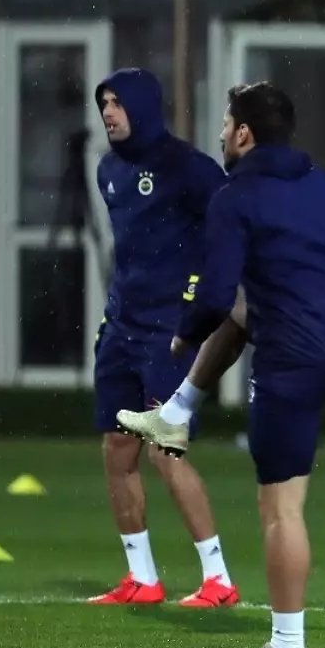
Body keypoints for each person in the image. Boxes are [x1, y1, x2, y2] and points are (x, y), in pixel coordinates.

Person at [118, 82, 325, 648]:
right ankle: (179, 410)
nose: (219, 134)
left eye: (225, 123)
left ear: (243, 133)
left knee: (281, 509)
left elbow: (214, 293)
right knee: (248, 309)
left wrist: (183, 334)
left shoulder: (236, 195)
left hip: (292, 360)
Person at [89, 67, 238, 608]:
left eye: (118, 102)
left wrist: (199, 298)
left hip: (169, 333)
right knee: (116, 448)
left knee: (164, 451)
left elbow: (228, 228)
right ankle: (142, 578)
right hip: (121, 328)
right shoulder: (108, 170)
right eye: (103, 102)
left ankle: (218, 579)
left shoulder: (189, 168)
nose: (108, 112)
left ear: (143, 106)